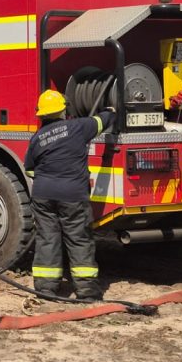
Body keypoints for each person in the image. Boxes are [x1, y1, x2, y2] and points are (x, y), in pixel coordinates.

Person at [23, 89, 115, 301]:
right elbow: (101, 121)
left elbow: (30, 169)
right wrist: (111, 110)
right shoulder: (78, 127)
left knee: (47, 238)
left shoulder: (37, 138)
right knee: (78, 239)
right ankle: (86, 291)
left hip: (43, 196)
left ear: (42, 114)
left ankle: (45, 289)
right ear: (64, 110)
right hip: (73, 195)